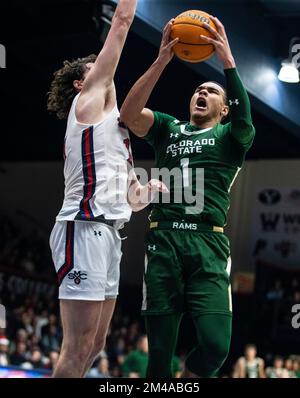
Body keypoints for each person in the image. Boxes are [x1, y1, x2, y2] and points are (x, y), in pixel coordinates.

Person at [120, 16, 255, 377]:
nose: (202, 93)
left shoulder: (230, 138)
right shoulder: (168, 127)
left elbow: (246, 124)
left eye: (211, 92)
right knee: (158, 357)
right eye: (199, 90)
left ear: (224, 109)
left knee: (216, 347)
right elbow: (128, 114)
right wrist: (161, 60)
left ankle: (189, 378)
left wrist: (228, 64)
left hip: (208, 244)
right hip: (163, 241)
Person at [47, 0, 166, 378]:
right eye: (92, 65)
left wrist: (147, 193)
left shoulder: (117, 130)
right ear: (82, 82)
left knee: (95, 346)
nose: (101, 65)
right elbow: (122, 21)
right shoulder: (88, 102)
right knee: (77, 345)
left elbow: (130, 200)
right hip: (82, 226)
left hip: (110, 233)